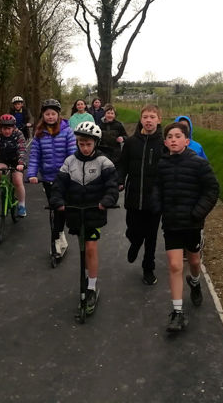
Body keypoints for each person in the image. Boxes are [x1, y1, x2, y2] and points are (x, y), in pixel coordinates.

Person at [154, 121, 219, 332]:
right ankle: (178, 312)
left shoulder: (198, 164)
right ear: (165, 142)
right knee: (174, 265)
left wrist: (198, 213)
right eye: (170, 137)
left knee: (193, 259)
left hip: (192, 223)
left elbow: (212, 189)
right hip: (171, 223)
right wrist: (157, 206)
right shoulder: (161, 164)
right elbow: (156, 188)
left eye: (178, 136)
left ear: (187, 141)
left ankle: (195, 281)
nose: (173, 139)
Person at [51, 121, 118, 314]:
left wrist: (106, 200)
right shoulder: (69, 161)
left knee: (90, 247)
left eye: (89, 144)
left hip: (93, 212)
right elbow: (59, 185)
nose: (85, 147)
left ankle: (91, 286)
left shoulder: (104, 162)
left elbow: (112, 186)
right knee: (81, 247)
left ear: (95, 143)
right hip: (74, 212)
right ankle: (87, 280)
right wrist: (57, 200)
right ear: (77, 143)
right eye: (81, 144)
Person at [118, 104, 164, 286]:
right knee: (133, 229)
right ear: (141, 119)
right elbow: (122, 165)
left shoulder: (163, 144)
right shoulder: (130, 143)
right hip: (133, 196)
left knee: (151, 236)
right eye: (145, 116)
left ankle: (148, 268)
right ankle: (135, 242)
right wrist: (120, 180)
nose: (148, 120)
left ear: (159, 120)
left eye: (152, 116)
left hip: (154, 199)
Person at [28, 99, 77, 258]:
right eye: (47, 114)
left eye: (53, 114)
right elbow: (35, 156)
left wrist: (70, 173)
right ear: (43, 115)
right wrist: (32, 174)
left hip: (64, 178)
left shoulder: (67, 131)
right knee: (55, 209)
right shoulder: (39, 133)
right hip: (48, 177)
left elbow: (72, 153)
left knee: (60, 209)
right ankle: (59, 236)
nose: (50, 117)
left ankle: (57, 237)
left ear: (58, 115)